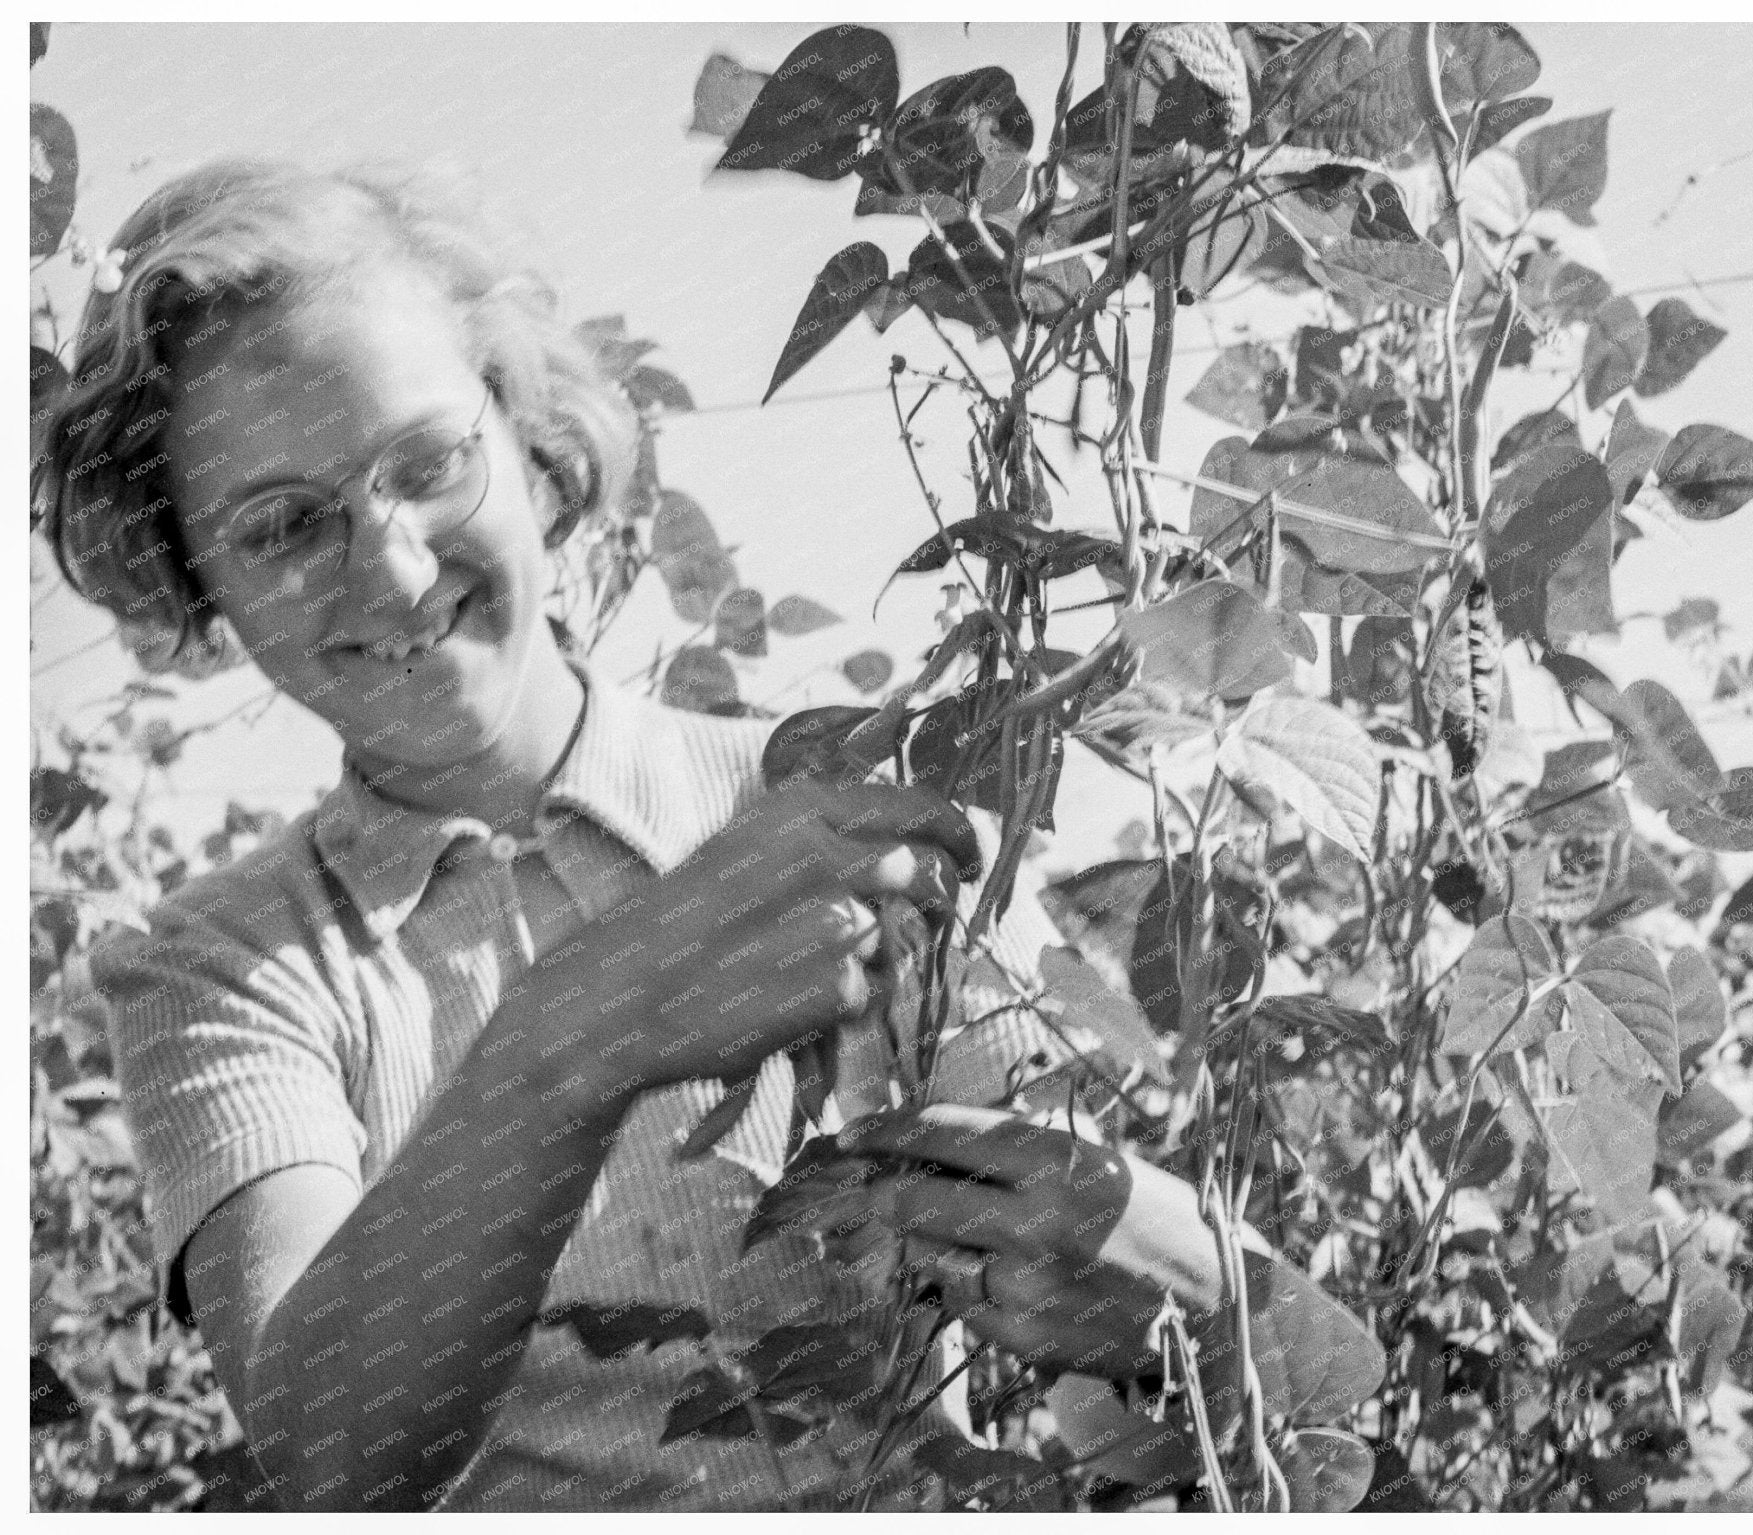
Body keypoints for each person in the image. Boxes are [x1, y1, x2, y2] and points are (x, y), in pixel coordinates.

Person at [40, 158, 1342, 1514]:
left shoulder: (831, 802)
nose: (396, 569)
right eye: (282, 528)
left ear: (529, 442)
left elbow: (1171, 1355)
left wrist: (1197, 1307)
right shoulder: (220, 966)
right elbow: (333, 1455)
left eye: (426, 463)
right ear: (195, 579)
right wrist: (576, 1038)